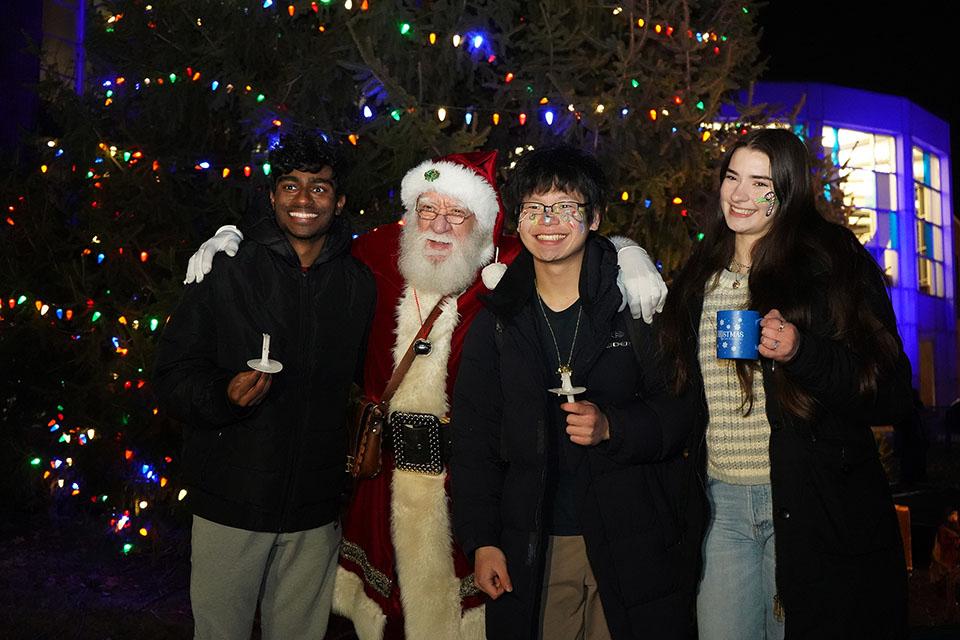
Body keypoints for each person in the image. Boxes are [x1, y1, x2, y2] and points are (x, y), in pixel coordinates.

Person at [183, 149, 669, 639]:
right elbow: (306, 238)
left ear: (482, 224)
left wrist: (628, 252)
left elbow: (566, 232)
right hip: (383, 478)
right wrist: (236, 239)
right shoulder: (374, 257)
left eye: (456, 213)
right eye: (427, 210)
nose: (439, 225)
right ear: (409, 216)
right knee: (383, 618)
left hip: (467, 483)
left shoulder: (509, 267)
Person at [658, 128, 914, 639]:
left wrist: (802, 351)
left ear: (789, 191)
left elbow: (892, 390)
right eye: (733, 177)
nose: (740, 194)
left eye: (761, 183)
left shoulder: (830, 261)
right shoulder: (699, 274)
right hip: (722, 508)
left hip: (814, 505)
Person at [450, 145, 703, 640]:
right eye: (535, 207)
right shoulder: (498, 319)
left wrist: (614, 426)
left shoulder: (638, 306)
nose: (549, 221)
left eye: (566, 207)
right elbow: (473, 440)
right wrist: (482, 541)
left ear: (594, 217)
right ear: (518, 220)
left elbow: (681, 410)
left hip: (633, 534)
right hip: (537, 542)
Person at [154, 132, 376, 639]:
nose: (303, 200)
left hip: (314, 515)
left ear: (339, 201)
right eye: (290, 186)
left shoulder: (358, 285)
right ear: (273, 196)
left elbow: (375, 378)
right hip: (231, 502)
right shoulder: (225, 269)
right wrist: (223, 395)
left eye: (319, 188)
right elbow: (171, 376)